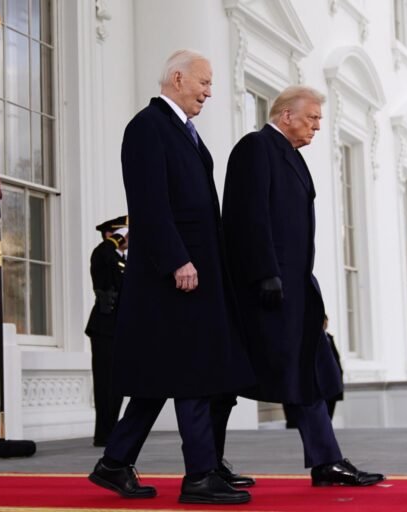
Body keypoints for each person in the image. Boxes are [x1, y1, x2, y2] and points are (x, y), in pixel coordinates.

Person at [87, 49, 255, 505]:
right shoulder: (147, 127)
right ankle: (200, 475)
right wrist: (177, 259)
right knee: (192, 373)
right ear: (177, 78)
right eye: (204, 82)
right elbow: (149, 204)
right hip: (174, 276)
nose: (209, 91)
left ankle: (114, 464)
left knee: (162, 377)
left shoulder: (182, 131)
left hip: (195, 275)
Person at [222, 85, 384, 486]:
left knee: (317, 372)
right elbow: (248, 216)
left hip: (296, 289)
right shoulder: (256, 148)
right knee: (229, 380)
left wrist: (311, 292)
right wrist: (265, 274)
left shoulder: (292, 157)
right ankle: (207, 463)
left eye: (319, 119)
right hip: (264, 290)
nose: (317, 125)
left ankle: (326, 461)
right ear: (285, 115)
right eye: (311, 117)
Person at [85, 216, 128, 447]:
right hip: (104, 327)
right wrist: (116, 239)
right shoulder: (103, 253)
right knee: (104, 382)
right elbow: (105, 255)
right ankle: (103, 434)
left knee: (118, 382)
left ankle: (112, 430)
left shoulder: (123, 260)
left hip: (121, 329)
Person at [286, 314, 343, 428]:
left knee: (328, 415)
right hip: (318, 384)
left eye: (326, 321)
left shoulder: (329, 338)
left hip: (331, 381)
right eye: (323, 321)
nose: (325, 324)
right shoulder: (309, 339)